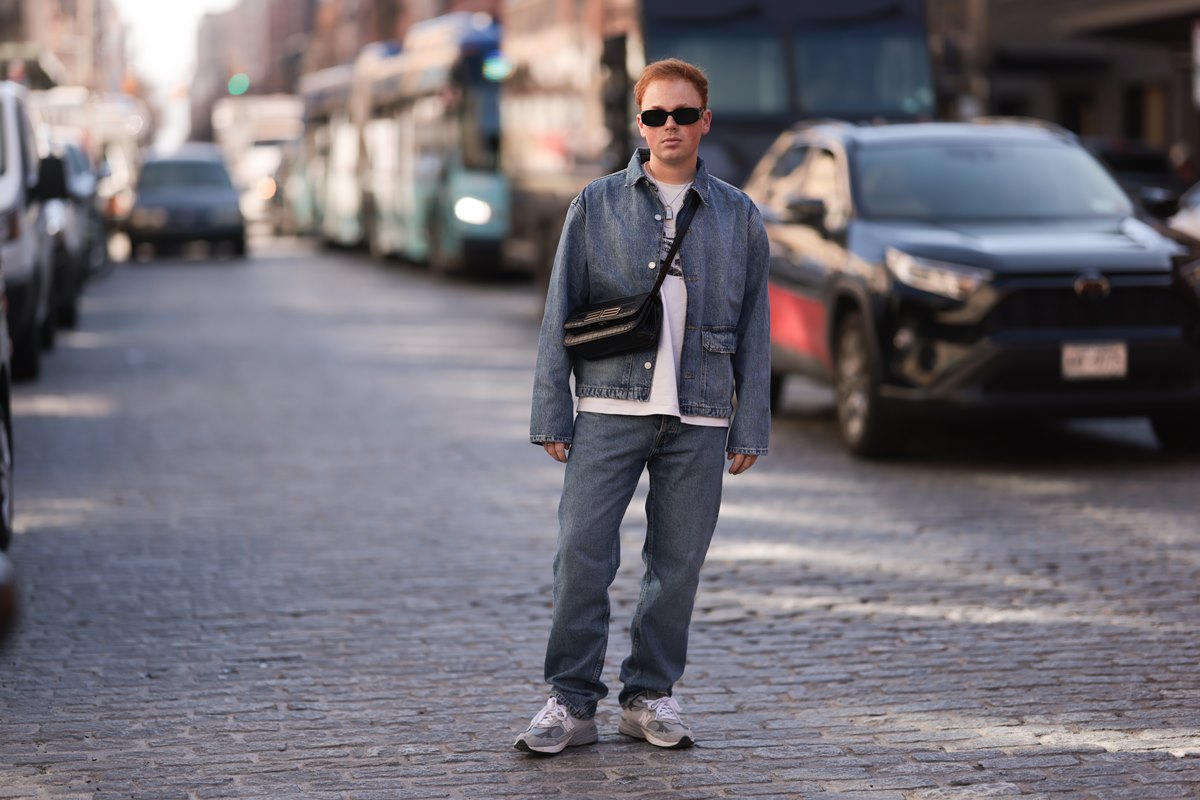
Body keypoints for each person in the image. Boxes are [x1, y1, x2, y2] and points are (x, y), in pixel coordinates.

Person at [517, 58, 771, 754]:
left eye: (683, 115)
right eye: (656, 115)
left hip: (701, 413)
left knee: (678, 562)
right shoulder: (595, 204)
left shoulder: (739, 215)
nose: (670, 127)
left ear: (704, 122)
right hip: (608, 404)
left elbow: (755, 326)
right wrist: (552, 412)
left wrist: (750, 421)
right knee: (582, 553)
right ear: (639, 124)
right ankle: (570, 702)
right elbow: (558, 311)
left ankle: (649, 694)